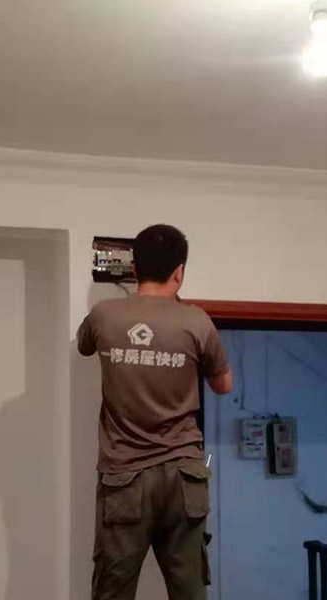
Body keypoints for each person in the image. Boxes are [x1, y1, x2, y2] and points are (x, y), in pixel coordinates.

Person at [77, 224, 233, 600]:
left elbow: (84, 345)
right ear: (179, 271)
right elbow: (223, 385)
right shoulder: (196, 321)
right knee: (188, 590)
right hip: (183, 476)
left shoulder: (104, 315)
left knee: (113, 590)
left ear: (134, 268)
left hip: (124, 476)